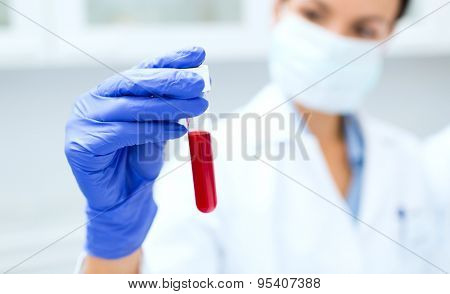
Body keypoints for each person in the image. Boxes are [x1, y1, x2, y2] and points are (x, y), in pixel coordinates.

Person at [65, 0, 442, 273]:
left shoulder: (408, 159)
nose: (335, 42)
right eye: (314, 14)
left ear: (388, 36)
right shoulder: (202, 160)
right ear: (278, 10)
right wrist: (113, 247)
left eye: (364, 29)